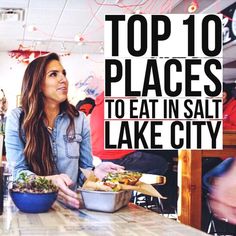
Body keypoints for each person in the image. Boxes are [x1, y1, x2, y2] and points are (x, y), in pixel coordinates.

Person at [5, 53, 123, 209]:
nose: (63, 79)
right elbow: (18, 173)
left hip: (71, 209)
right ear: (38, 83)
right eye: (53, 74)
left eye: (64, 73)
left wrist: (96, 173)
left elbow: (84, 172)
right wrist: (48, 182)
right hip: (32, 208)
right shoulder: (17, 118)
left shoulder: (79, 119)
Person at [90, 91, 168, 175]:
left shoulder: (103, 101)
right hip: (114, 157)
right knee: (160, 164)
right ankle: (138, 186)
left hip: (99, 156)